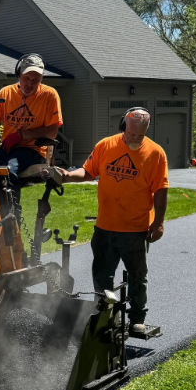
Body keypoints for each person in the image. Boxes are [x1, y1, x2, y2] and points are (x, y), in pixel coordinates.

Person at [56, 108, 168, 338]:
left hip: (136, 229)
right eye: (131, 134)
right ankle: (106, 314)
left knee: (137, 276)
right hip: (105, 227)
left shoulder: (156, 153)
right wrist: (67, 176)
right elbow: (88, 172)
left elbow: (161, 190)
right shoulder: (106, 146)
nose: (135, 139)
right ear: (122, 126)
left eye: (140, 136)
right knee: (102, 275)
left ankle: (137, 319)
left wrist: (158, 222)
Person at [0, 53, 63, 210]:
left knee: (5, 172)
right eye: (26, 78)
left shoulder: (49, 95)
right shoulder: (5, 93)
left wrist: (21, 135)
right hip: (6, 149)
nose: (30, 84)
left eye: (36, 80)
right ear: (18, 75)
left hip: (33, 151)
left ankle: (11, 224)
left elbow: (52, 132)